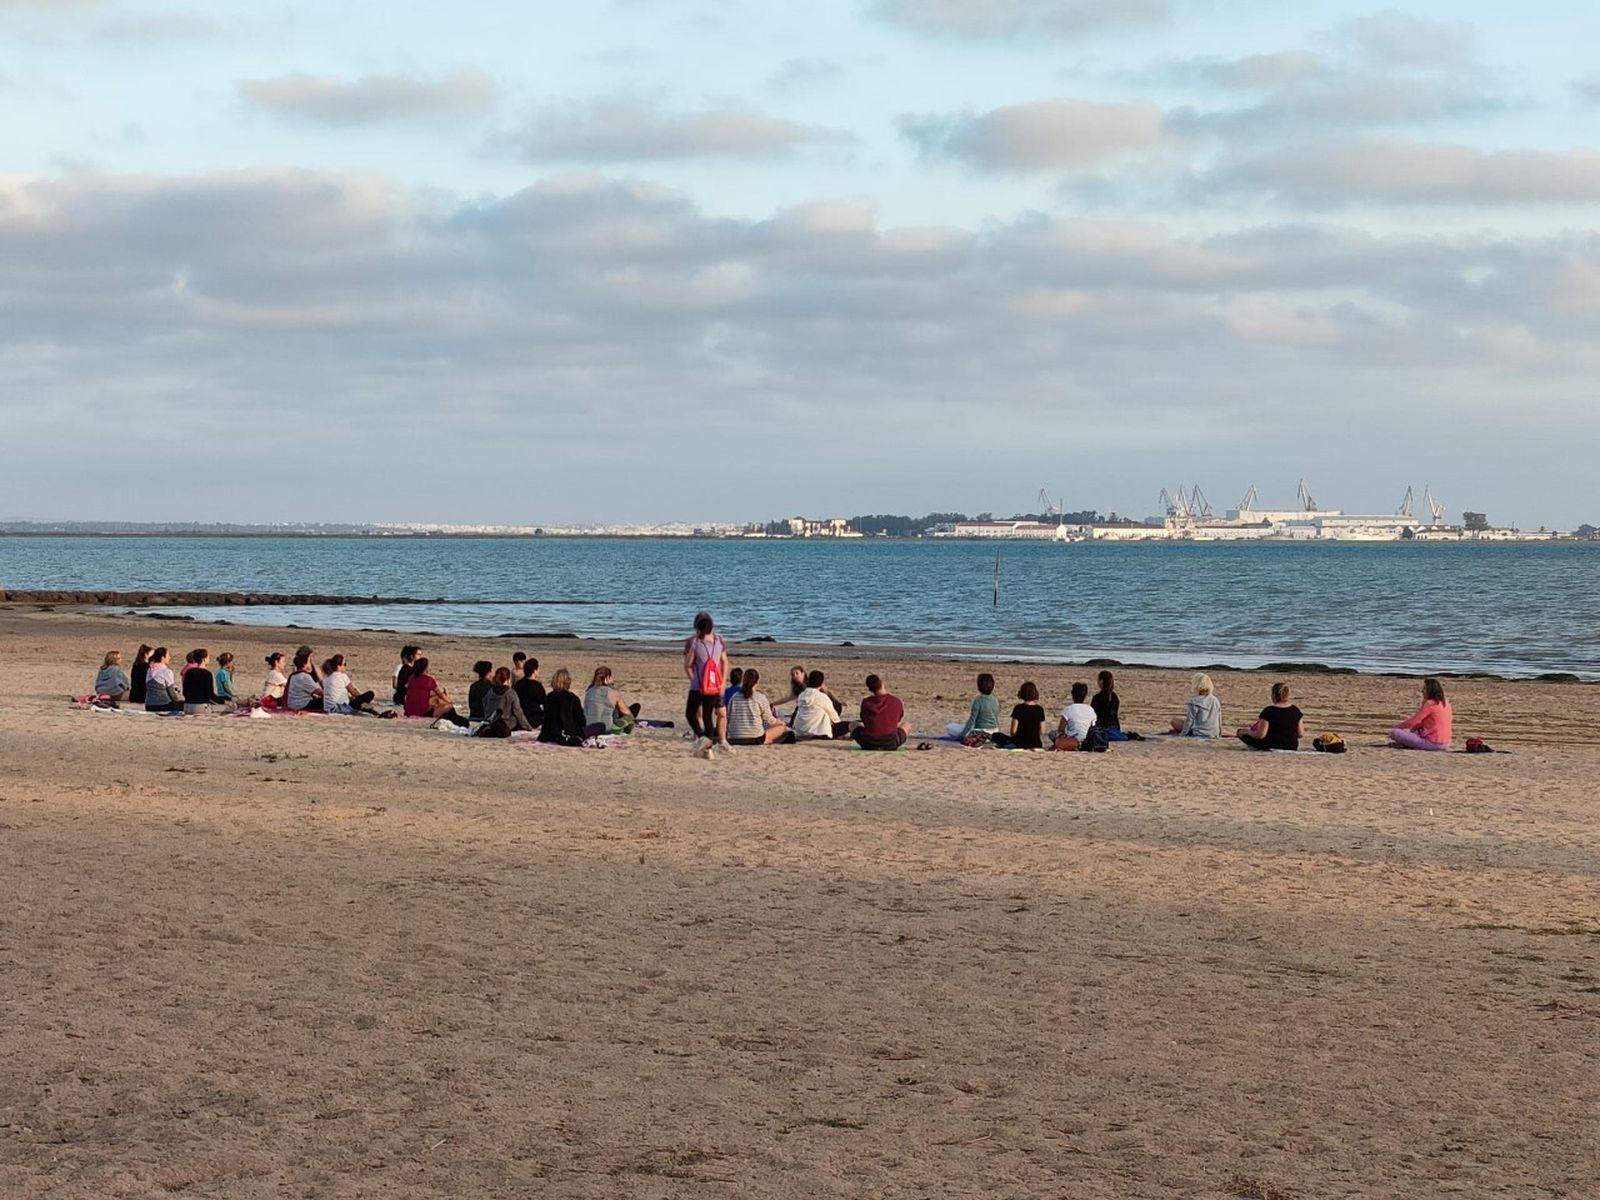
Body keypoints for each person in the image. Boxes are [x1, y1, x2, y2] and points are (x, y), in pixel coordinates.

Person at [683, 611, 730, 750]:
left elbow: (688, 664)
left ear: (697, 628)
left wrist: (693, 678)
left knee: (691, 713)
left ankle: (703, 737)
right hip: (714, 683)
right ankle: (709, 744)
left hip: (698, 685)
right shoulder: (719, 640)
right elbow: (724, 661)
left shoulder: (694, 643)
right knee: (708, 715)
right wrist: (722, 682)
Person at [725, 668, 795, 745]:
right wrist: (781, 723)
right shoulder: (759, 697)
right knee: (780, 728)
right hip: (755, 738)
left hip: (734, 737)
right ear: (757, 682)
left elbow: (728, 717)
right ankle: (768, 740)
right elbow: (770, 720)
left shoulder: (734, 697)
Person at [1238, 681, 1306, 751]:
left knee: (1241, 732)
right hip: (1291, 746)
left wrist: (1246, 732)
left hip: (1271, 745)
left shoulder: (1269, 711)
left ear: (1274, 695)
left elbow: (1261, 735)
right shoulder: (1295, 710)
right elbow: (1301, 734)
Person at [1390, 677, 1453, 751]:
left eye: (1425, 689)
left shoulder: (1430, 704)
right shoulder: (1446, 703)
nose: (1423, 691)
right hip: (1446, 743)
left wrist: (1398, 726)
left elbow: (1412, 722)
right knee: (1413, 731)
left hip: (1433, 743)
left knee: (1394, 732)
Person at [853, 674, 911, 751]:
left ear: (870, 689)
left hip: (868, 743)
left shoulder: (866, 702)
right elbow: (898, 720)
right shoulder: (896, 701)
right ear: (882, 683)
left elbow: (864, 720)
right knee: (907, 725)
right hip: (891, 742)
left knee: (853, 724)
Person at [403, 656, 469, 725]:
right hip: (422, 712)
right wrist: (449, 701)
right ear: (426, 668)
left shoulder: (411, 679)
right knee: (448, 706)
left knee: (435, 699)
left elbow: (419, 692)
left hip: (409, 711)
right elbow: (441, 694)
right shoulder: (429, 680)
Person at [791, 669, 851, 740]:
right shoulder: (822, 697)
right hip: (819, 733)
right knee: (850, 725)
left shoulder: (802, 695)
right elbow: (834, 716)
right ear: (821, 683)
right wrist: (836, 724)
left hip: (800, 732)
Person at [584, 666, 642, 736]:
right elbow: (627, 713)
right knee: (630, 717)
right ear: (607, 678)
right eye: (611, 676)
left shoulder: (589, 691)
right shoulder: (613, 692)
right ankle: (626, 731)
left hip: (589, 728)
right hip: (607, 728)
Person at [479, 667, 535, 736]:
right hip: (506, 723)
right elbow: (518, 712)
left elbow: (484, 703)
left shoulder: (490, 692)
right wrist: (528, 727)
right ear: (508, 679)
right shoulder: (510, 693)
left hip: (490, 721)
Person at [539, 668, 588, 746]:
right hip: (567, 732)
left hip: (550, 732)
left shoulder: (549, 697)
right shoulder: (572, 698)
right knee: (600, 726)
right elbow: (581, 720)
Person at [947, 672, 1001, 741]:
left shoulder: (978, 700)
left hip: (980, 732)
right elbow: (995, 718)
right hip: (994, 731)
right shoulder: (995, 699)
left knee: (950, 727)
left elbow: (971, 721)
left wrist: (962, 736)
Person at [992, 681, 1047, 749]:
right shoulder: (1040, 709)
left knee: (996, 735)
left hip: (1020, 743)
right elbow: (1042, 731)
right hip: (1036, 743)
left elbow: (1013, 731)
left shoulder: (1018, 708)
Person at [1092, 670, 1139, 742]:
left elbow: (1093, 715)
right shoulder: (1114, 697)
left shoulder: (1097, 697)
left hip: (1103, 727)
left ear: (1101, 681)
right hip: (1115, 727)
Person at [1170, 674, 1222, 738]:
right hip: (1214, 732)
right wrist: (1219, 732)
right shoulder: (1215, 700)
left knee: (1174, 721)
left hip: (1199, 732)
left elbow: (1190, 721)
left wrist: (1182, 734)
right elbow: (1219, 719)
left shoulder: (1195, 701)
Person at [181, 648, 228, 714]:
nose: (209, 659)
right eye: (208, 657)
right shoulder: (207, 674)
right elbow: (211, 695)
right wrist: (225, 702)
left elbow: (184, 692)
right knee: (231, 707)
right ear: (204, 659)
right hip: (201, 707)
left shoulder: (188, 672)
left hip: (187, 706)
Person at [1054, 681, 1097, 751]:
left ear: (1072, 694)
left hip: (1072, 739)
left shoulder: (1068, 709)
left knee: (1052, 734)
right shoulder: (1090, 710)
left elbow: (1061, 729)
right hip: (1088, 740)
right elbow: (1093, 727)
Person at [143, 647, 183, 713]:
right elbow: (171, 693)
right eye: (168, 655)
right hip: (163, 705)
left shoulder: (149, 670)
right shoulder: (166, 671)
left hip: (149, 706)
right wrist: (177, 702)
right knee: (186, 705)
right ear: (162, 658)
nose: (170, 657)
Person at [285, 649, 323, 713]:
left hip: (293, 704)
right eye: (309, 660)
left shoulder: (294, 675)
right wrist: (320, 679)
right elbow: (320, 692)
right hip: (301, 705)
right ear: (304, 663)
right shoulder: (304, 677)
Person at [513, 658, 546, 727]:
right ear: (534, 671)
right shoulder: (537, 686)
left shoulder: (518, 684)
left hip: (521, 716)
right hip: (535, 716)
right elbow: (544, 701)